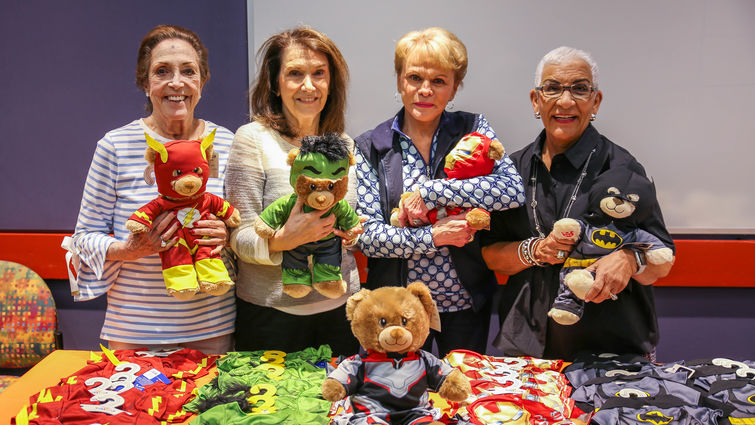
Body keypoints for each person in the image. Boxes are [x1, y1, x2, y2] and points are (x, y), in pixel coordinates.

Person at [480, 46, 675, 361]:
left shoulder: (623, 168)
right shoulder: (511, 169)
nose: (566, 101)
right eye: (553, 88)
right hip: (527, 347)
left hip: (611, 350)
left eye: (580, 89)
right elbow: (490, 254)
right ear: (536, 100)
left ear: (595, 101)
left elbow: (663, 260)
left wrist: (629, 259)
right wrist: (535, 251)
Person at [354, 27, 524, 357]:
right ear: (400, 81)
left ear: (455, 87)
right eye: (414, 78)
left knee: (459, 396)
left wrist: (432, 193)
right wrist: (434, 236)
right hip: (394, 312)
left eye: (439, 81)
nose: (425, 91)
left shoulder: (474, 129)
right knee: (396, 397)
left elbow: (511, 190)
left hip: (463, 305)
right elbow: (368, 237)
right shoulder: (371, 146)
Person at [65, 25, 235, 354]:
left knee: (207, 406)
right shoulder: (114, 146)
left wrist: (226, 233)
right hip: (134, 328)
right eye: (162, 71)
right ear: (145, 84)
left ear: (202, 81)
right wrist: (130, 249)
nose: (176, 82)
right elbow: (83, 238)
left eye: (188, 71)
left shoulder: (226, 143)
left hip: (211, 323)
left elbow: (242, 223)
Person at [225, 27, 362, 356]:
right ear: (275, 82)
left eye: (319, 74)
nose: (309, 85)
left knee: (336, 407)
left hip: (340, 312)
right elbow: (238, 235)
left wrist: (352, 231)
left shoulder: (343, 144)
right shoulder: (252, 139)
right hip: (269, 317)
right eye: (295, 74)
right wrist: (283, 240)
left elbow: (349, 214)